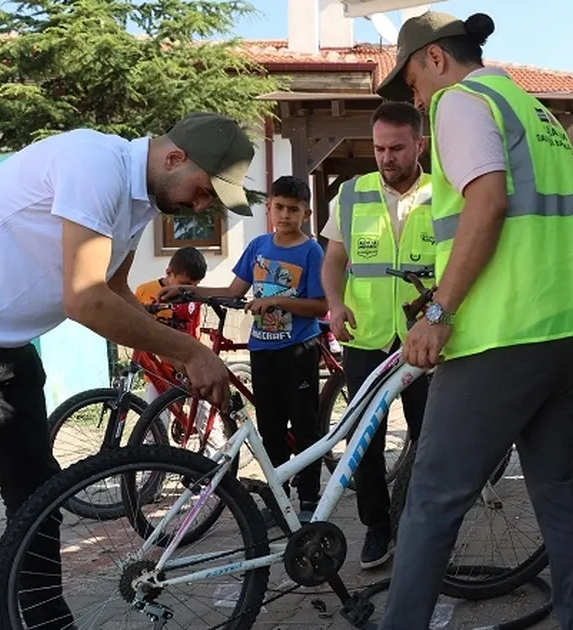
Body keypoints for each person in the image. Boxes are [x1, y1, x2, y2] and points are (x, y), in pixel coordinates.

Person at [375, 11, 573, 629]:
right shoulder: (537, 114)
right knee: (558, 493)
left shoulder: (460, 102)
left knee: (432, 502)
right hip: (568, 333)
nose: (413, 98)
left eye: (411, 82)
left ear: (435, 59)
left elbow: (489, 201)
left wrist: (439, 311)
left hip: (502, 337)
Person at [0, 112, 251, 619]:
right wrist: (192, 351)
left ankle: (46, 622)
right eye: (204, 190)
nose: (202, 204)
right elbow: (85, 299)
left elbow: (116, 290)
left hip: (2, 349)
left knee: (37, 499)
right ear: (173, 158)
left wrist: (171, 350)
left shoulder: (141, 200)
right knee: (32, 498)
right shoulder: (94, 164)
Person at [162, 175, 328, 523]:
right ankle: (278, 502)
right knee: (269, 429)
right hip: (262, 351)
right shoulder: (257, 247)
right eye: (278, 207)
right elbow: (235, 290)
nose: (284, 215)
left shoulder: (311, 251)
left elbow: (319, 305)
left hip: (298, 349)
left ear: (306, 213)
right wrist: (190, 291)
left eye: (293, 209)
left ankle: (310, 502)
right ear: (268, 208)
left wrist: (278, 301)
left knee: (305, 426)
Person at [320, 101, 434, 569]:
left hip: (428, 337)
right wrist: (334, 303)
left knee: (431, 439)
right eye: (379, 148)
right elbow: (333, 262)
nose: (386, 158)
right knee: (365, 439)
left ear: (419, 145)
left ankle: (424, 527)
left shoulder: (445, 193)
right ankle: (376, 528)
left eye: (397, 148)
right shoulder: (351, 193)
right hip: (367, 337)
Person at [134, 245, 209, 403]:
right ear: (168, 273)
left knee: (202, 414)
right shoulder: (144, 291)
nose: (189, 289)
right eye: (184, 283)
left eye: (194, 285)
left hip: (187, 367)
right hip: (157, 370)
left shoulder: (194, 296)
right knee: (155, 422)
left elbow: (194, 329)